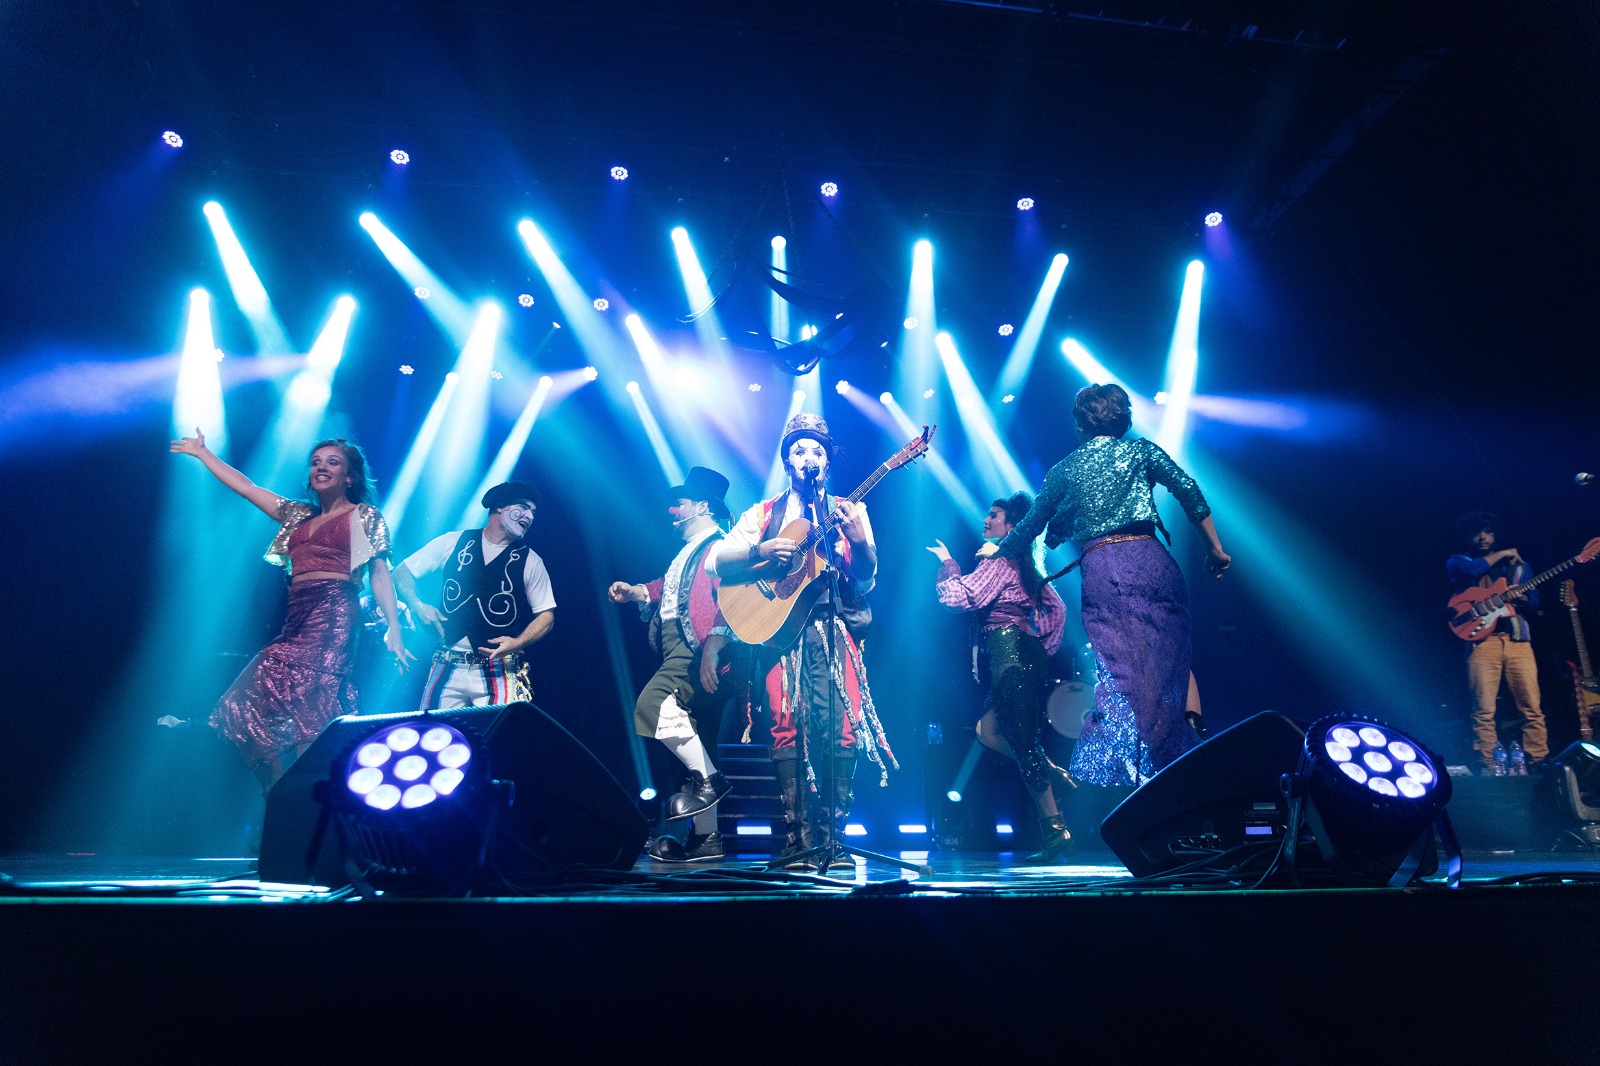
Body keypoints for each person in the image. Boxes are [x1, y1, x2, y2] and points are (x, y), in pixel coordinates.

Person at [981, 384, 1229, 786]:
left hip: (1104, 570)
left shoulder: (1064, 470)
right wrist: (1215, 549)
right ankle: (1189, 747)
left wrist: (998, 554)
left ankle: (1159, 768)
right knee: (1171, 655)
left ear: (1080, 424)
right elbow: (1189, 491)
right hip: (1152, 561)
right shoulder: (1141, 451)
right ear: (1124, 419)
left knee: (1126, 672)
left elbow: (1029, 526)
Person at [169, 430, 412, 790]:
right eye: (316, 462)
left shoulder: (363, 515)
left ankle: (306, 798)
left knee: (312, 714)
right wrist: (204, 454)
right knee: (238, 707)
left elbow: (379, 573)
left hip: (334, 614)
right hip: (297, 618)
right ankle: (280, 792)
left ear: (350, 477)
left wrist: (393, 626)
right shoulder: (297, 515)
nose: (321, 468)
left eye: (333, 463)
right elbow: (248, 488)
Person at [710, 413, 898, 869]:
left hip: (834, 629)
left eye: (817, 450)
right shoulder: (763, 513)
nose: (807, 457)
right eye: (798, 450)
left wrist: (861, 543)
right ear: (786, 461)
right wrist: (760, 550)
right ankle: (797, 840)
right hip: (778, 632)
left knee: (843, 727)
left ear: (827, 462)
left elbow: (867, 579)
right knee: (785, 724)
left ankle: (833, 840)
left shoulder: (849, 510)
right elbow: (717, 560)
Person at [931, 492, 1074, 862]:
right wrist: (1040, 649)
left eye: (994, 515)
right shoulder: (1020, 563)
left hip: (1010, 654)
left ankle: (1056, 828)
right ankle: (1048, 770)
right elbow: (1057, 609)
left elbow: (959, 598)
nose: (986, 519)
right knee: (987, 731)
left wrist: (948, 563)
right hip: (1014, 654)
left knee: (1021, 742)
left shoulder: (999, 558)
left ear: (1012, 527)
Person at [608, 467, 738, 863]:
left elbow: (732, 600)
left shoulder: (721, 547)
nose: (672, 511)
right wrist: (636, 592)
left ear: (703, 507)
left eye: (680, 504)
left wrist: (713, 646)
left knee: (652, 705)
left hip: (695, 647)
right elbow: (669, 586)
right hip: (678, 647)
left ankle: (712, 780)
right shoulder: (691, 550)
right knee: (697, 742)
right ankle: (707, 839)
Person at [392, 482, 555, 708]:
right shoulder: (453, 541)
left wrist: (518, 643)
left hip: (498, 670)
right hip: (447, 663)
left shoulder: (531, 561)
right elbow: (401, 573)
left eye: (533, 512)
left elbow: (546, 616)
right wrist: (418, 605)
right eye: (524, 507)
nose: (530, 516)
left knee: (497, 729)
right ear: (500, 507)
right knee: (435, 728)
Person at [1446, 510, 1548, 771]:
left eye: (1488, 531)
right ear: (1466, 537)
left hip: (1517, 640)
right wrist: (1504, 553)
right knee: (1483, 709)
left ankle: (1537, 760)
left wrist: (1522, 597)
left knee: (1531, 706)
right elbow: (1473, 569)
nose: (1482, 537)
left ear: (1495, 534)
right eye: (1476, 533)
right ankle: (1488, 764)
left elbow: (1535, 600)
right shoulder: (1458, 561)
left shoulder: (1519, 567)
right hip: (1481, 642)